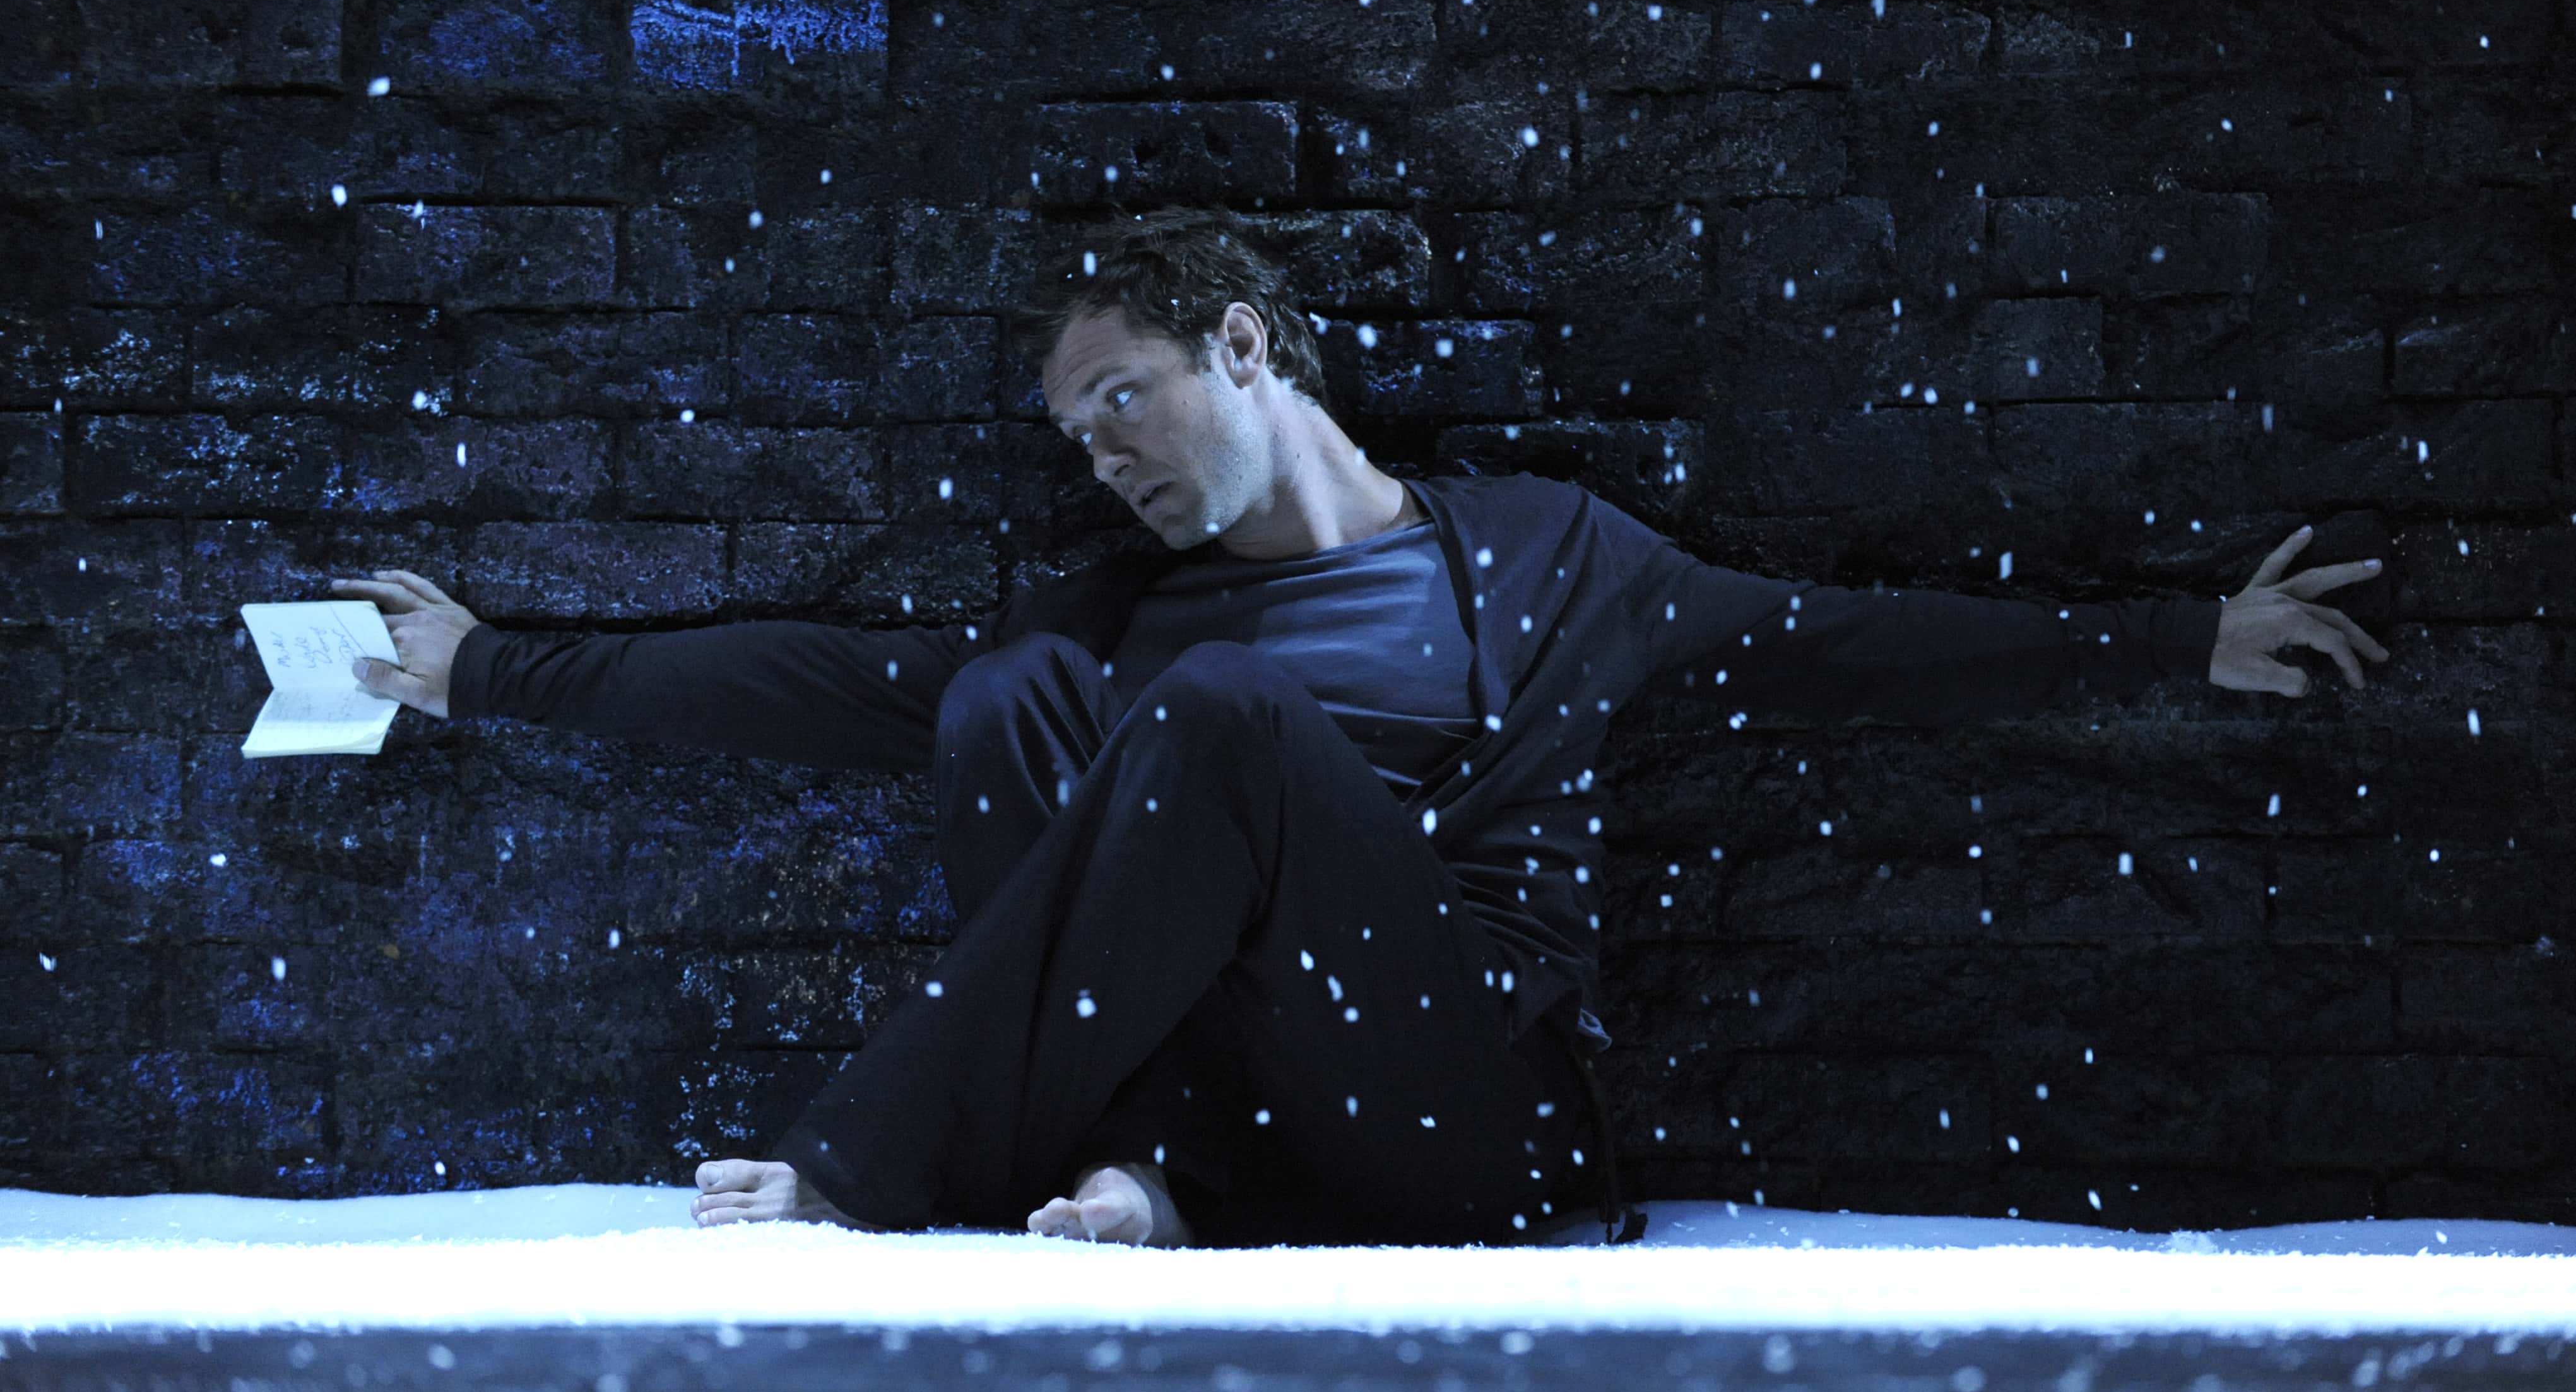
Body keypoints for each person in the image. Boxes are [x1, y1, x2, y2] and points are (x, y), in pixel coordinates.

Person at [328, 206, 2390, 1250]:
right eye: (1070, 433)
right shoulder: (1119, 617)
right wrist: (489, 667)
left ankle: (880, 1175)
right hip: (1240, 1087)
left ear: (1245, 344)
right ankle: (1156, 1177)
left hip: (1468, 1092)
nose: (1100, 453)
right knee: (996, 690)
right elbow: (828, 688)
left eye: (1121, 395)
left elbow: (1845, 645)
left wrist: (2173, 639)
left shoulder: (1553, 560)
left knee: (1215, 714)